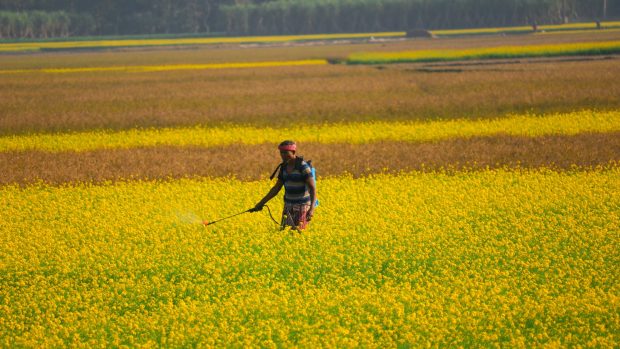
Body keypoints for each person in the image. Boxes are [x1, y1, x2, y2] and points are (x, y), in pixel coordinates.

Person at [251, 140, 316, 230]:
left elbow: (312, 188)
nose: (283, 155)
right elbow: (276, 188)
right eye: (281, 153)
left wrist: (311, 209)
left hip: (303, 206)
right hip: (288, 206)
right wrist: (261, 203)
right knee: (284, 233)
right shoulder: (283, 167)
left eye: (286, 153)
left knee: (298, 234)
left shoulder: (302, 166)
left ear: (293, 152)